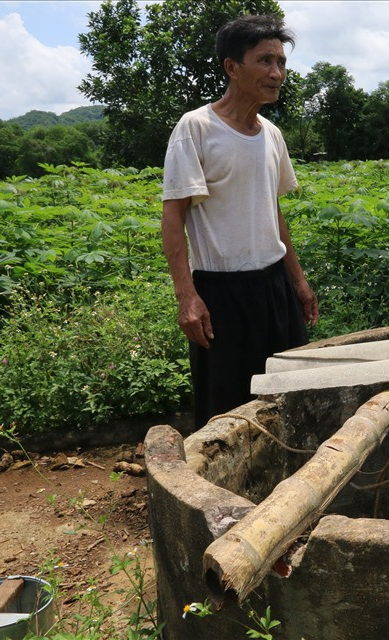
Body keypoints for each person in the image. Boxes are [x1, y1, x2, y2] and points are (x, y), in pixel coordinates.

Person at [161, 14, 318, 429]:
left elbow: (272, 210)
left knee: (291, 394)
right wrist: (186, 297)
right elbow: (173, 217)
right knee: (227, 408)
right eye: (265, 61)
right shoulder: (196, 128)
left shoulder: (271, 134)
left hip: (274, 286)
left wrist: (298, 282)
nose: (277, 73)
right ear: (232, 67)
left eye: (281, 62)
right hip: (222, 293)